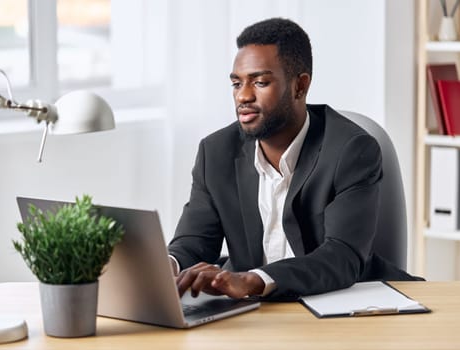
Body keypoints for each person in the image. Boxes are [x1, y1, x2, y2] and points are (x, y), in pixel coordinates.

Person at [168, 18, 420, 301]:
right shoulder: (215, 152)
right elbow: (194, 242)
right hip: (254, 315)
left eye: (260, 82)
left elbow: (341, 256)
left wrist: (254, 280)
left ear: (300, 86)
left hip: (343, 304)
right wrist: (169, 264)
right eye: (237, 83)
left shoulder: (352, 150)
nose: (243, 96)